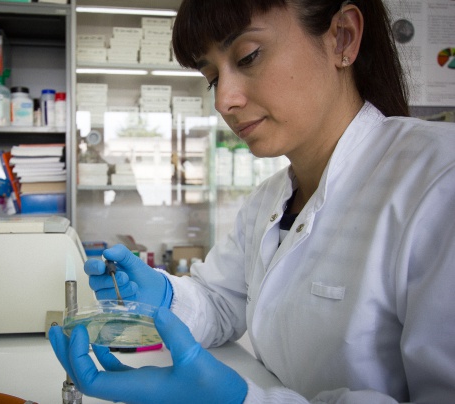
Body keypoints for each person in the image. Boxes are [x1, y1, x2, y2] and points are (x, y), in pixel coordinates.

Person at [50, 0, 455, 402]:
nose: (223, 100)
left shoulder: (438, 182)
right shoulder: (269, 201)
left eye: (248, 56)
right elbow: (224, 302)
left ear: (342, 38)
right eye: (211, 78)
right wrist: (163, 296)